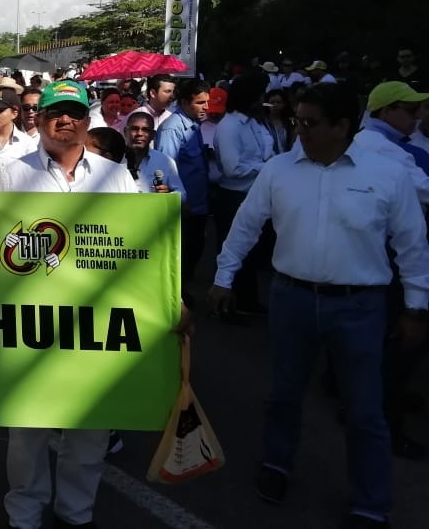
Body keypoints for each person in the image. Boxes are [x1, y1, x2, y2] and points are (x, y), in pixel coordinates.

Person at [208, 83, 429, 529]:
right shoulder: (279, 170)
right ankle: (277, 463)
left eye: (309, 123)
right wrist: (223, 277)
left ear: (342, 127)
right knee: (282, 395)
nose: (299, 131)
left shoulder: (388, 174)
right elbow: (246, 225)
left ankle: (371, 502)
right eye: (297, 121)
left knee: (365, 409)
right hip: (291, 299)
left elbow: (412, 245)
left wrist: (415, 307)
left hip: (360, 306)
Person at [0, 81, 136, 529]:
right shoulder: (13, 174)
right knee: (27, 428)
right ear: (38, 119)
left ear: (87, 121)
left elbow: (139, 247)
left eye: (74, 113)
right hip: (31, 317)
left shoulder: (116, 176)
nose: (65, 121)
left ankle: (76, 513)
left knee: (90, 428)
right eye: (55, 112)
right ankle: (24, 514)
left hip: (97, 318)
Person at [213, 73, 275, 315]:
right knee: (234, 251)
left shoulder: (254, 123)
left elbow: (265, 152)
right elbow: (233, 168)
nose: (263, 100)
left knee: (251, 253)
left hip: (253, 194)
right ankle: (231, 306)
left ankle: (247, 302)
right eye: (259, 96)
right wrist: (266, 167)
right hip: (233, 197)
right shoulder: (229, 126)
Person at [155, 79, 210, 283]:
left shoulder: (194, 125)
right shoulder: (172, 129)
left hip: (198, 204)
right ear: (185, 102)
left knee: (194, 251)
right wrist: (178, 202)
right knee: (182, 259)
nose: (206, 107)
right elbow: (165, 169)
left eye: (207, 102)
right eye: (200, 103)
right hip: (183, 208)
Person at [125, 112, 185, 198]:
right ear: (125, 132)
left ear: (153, 135)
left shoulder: (165, 161)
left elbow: (182, 195)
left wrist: (168, 195)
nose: (139, 134)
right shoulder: (115, 160)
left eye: (145, 130)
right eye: (134, 129)